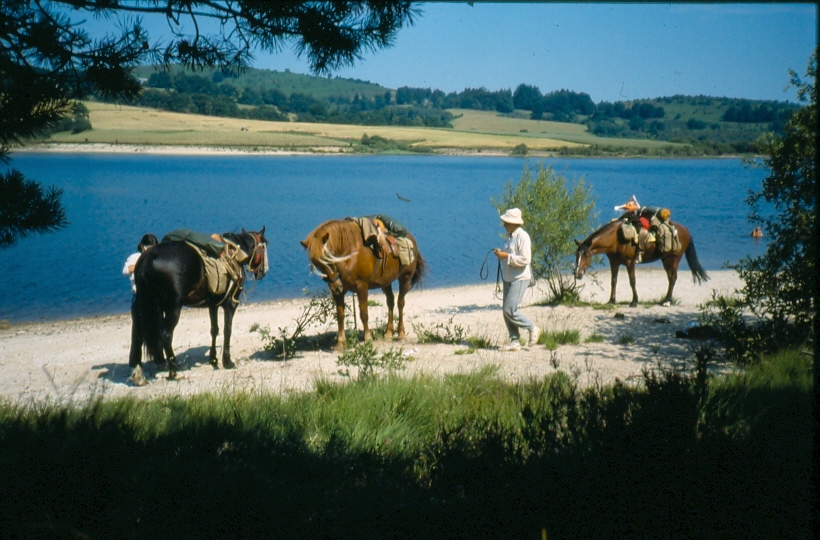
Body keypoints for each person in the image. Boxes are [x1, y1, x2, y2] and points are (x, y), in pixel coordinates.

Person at [494, 208, 540, 351]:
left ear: (514, 223)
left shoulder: (523, 237)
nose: (504, 225)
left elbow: (526, 259)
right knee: (506, 310)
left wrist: (506, 256)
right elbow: (511, 255)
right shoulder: (511, 237)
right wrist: (501, 253)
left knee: (510, 310)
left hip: (520, 278)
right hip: (509, 277)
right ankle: (514, 341)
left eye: (506, 223)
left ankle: (532, 328)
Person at [123, 233, 158, 366]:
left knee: (156, 330)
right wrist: (143, 263)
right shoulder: (135, 257)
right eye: (149, 248)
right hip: (139, 297)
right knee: (138, 332)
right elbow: (126, 270)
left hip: (154, 298)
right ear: (143, 247)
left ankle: (157, 357)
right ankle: (135, 362)